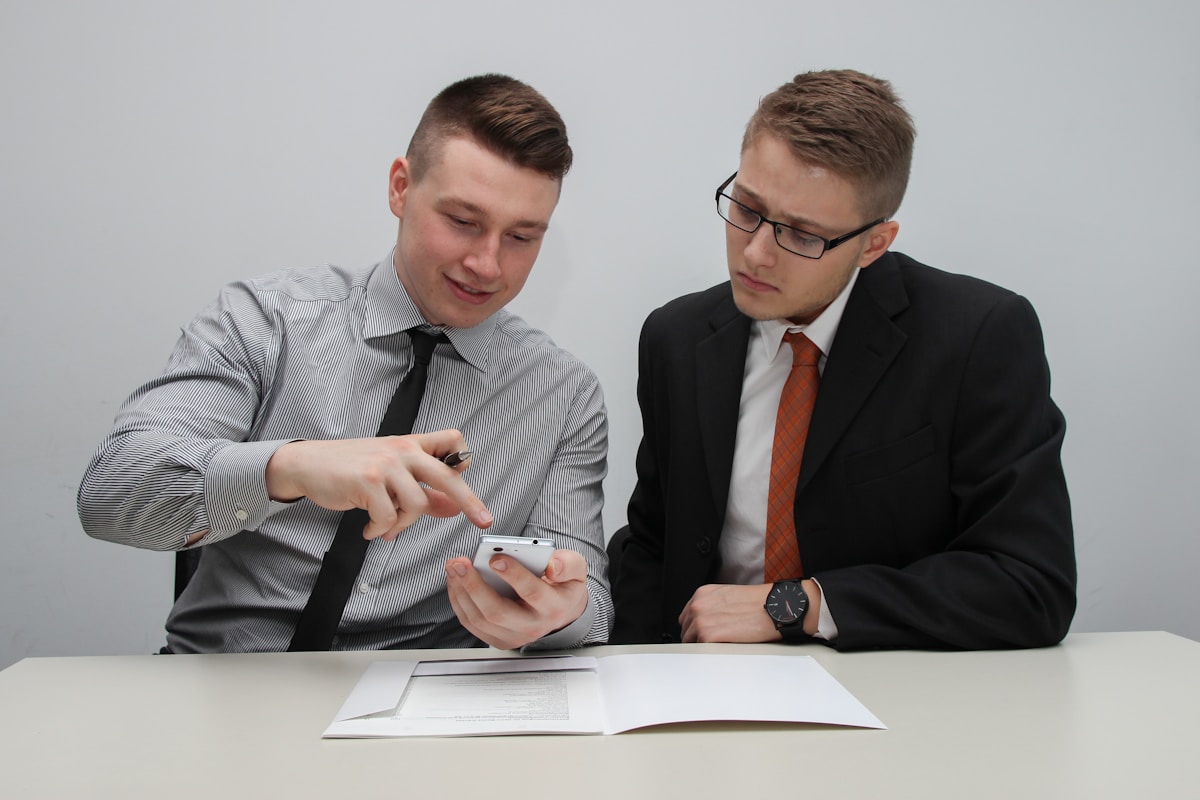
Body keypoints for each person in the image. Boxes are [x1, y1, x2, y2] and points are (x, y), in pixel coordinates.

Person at [78, 74, 612, 653]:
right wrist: (289, 469)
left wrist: (562, 613)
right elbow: (110, 494)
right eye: (462, 221)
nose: (487, 264)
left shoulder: (564, 395)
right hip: (223, 687)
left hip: (419, 712)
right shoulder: (265, 320)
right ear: (401, 188)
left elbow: (587, 599)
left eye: (522, 236)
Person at [611, 69, 1075, 651]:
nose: (755, 253)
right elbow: (653, 546)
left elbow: (1031, 583)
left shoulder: (976, 338)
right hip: (706, 687)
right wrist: (626, 676)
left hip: (893, 698)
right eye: (747, 209)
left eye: (802, 236)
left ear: (874, 244)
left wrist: (796, 606)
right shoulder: (675, 339)